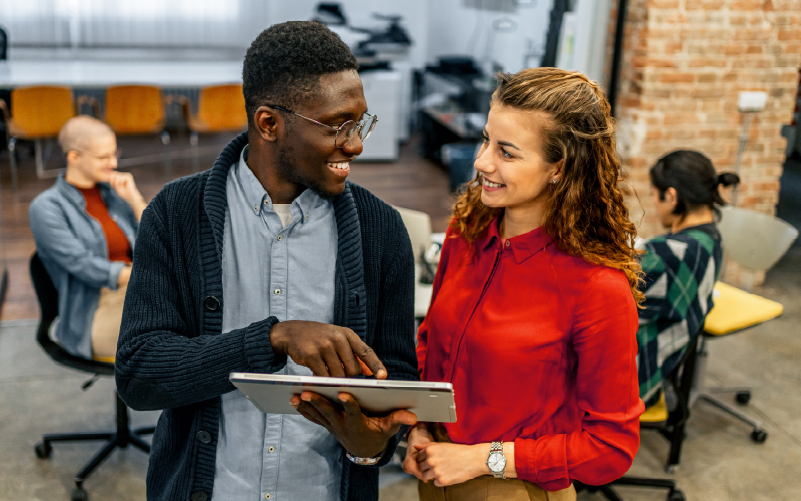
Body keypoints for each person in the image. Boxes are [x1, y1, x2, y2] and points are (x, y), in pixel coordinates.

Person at [114, 22, 418, 501]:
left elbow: (396, 378)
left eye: (360, 122)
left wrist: (373, 447)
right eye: (338, 125)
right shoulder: (175, 215)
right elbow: (139, 374)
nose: (356, 144)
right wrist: (273, 338)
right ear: (269, 124)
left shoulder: (382, 231)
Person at [405, 68, 645, 500]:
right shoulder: (467, 230)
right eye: (485, 140)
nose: (481, 162)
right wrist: (420, 423)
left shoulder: (596, 287)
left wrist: (482, 459)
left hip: (517, 487)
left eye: (507, 153)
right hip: (435, 470)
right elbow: (432, 342)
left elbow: (611, 447)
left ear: (560, 167)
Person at [29, 115, 146, 360]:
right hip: (95, 311)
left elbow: (160, 239)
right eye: (103, 157)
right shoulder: (47, 208)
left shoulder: (114, 194)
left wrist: (135, 200)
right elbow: (83, 265)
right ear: (74, 157)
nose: (113, 163)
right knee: (175, 333)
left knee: (201, 317)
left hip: (137, 291)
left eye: (115, 154)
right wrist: (148, 275)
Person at [637, 150, 740, 406]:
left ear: (671, 196)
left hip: (635, 379)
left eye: (652, 193)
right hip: (664, 363)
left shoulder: (663, 253)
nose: (653, 202)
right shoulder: (712, 240)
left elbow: (611, 316)